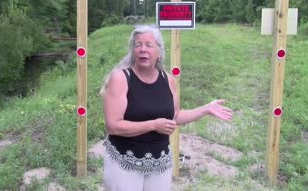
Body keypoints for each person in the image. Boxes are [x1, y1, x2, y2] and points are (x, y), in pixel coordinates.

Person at [100, 25, 233, 191]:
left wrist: (205, 109)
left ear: (159, 52)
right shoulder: (120, 78)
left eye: (148, 45)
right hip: (124, 161)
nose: (143, 50)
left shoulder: (168, 80)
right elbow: (113, 126)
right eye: (138, 45)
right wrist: (153, 125)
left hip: (160, 162)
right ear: (132, 51)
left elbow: (175, 116)